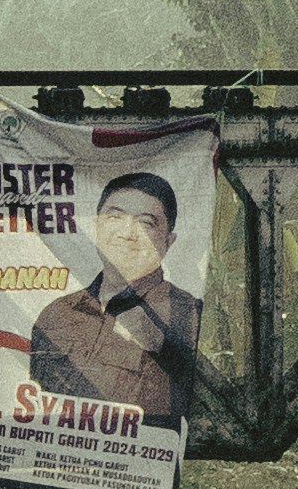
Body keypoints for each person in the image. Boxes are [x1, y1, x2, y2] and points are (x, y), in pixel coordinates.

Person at [22, 168, 200, 420]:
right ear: (96, 227)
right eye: (115, 217)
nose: (127, 233)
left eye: (146, 222)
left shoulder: (188, 316)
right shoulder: (56, 315)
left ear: (168, 241)